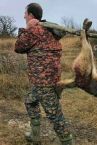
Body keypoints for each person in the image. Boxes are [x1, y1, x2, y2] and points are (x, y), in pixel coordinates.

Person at [15, 3, 73, 145]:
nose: (23, 16)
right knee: (30, 100)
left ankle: (67, 141)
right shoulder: (50, 30)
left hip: (43, 82)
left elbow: (18, 47)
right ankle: (35, 135)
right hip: (47, 79)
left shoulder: (34, 31)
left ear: (31, 15)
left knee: (54, 114)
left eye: (25, 14)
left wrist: (27, 28)